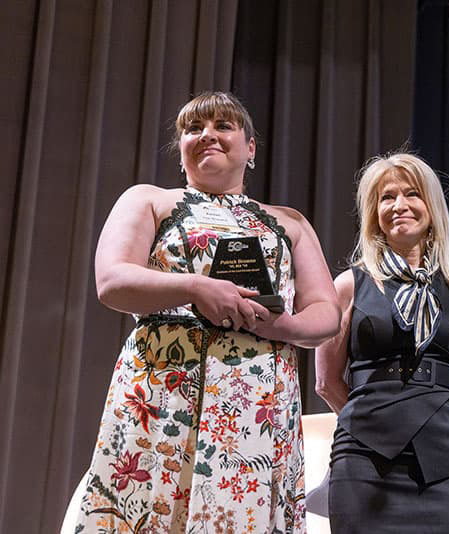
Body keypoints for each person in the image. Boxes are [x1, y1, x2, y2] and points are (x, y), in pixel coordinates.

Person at [74, 91, 340, 533]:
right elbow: (112, 280)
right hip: (164, 388)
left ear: (250, 148)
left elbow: (327, 314)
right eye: (193, 129)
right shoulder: (150, 200)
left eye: (222, 126)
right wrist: (193, 286)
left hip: (257, 402)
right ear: (180, 150)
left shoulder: (288, 221)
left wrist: (281, 325)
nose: (206, 136)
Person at [314, 153, 449, 532]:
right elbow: (326, 381)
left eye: (411, 194)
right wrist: (372, 422)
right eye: (386, 197)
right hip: (364, 459)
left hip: (448, 463)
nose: (399, 206)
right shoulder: (348, 285)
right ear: (374, 214)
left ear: (432, 207)